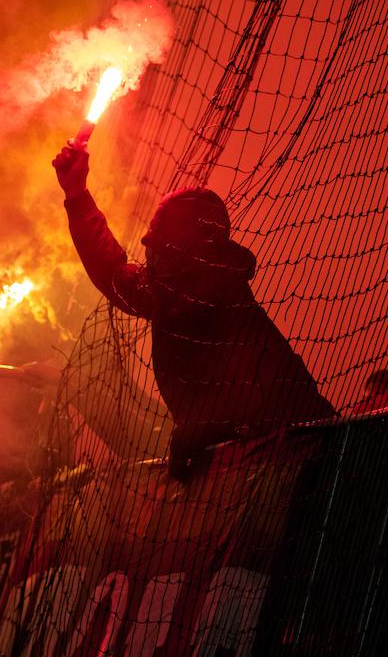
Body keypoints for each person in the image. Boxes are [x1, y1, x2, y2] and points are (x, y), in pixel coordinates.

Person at [52, 141, 333, 479]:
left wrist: (201, 430)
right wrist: (76, 193)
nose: (147, 249)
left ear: (179, 248)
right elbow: (115, 274)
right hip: (290, 457)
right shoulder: (187, 290)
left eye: (155, 241)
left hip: (302, 461)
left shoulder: (201, 297)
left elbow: (252, 392)